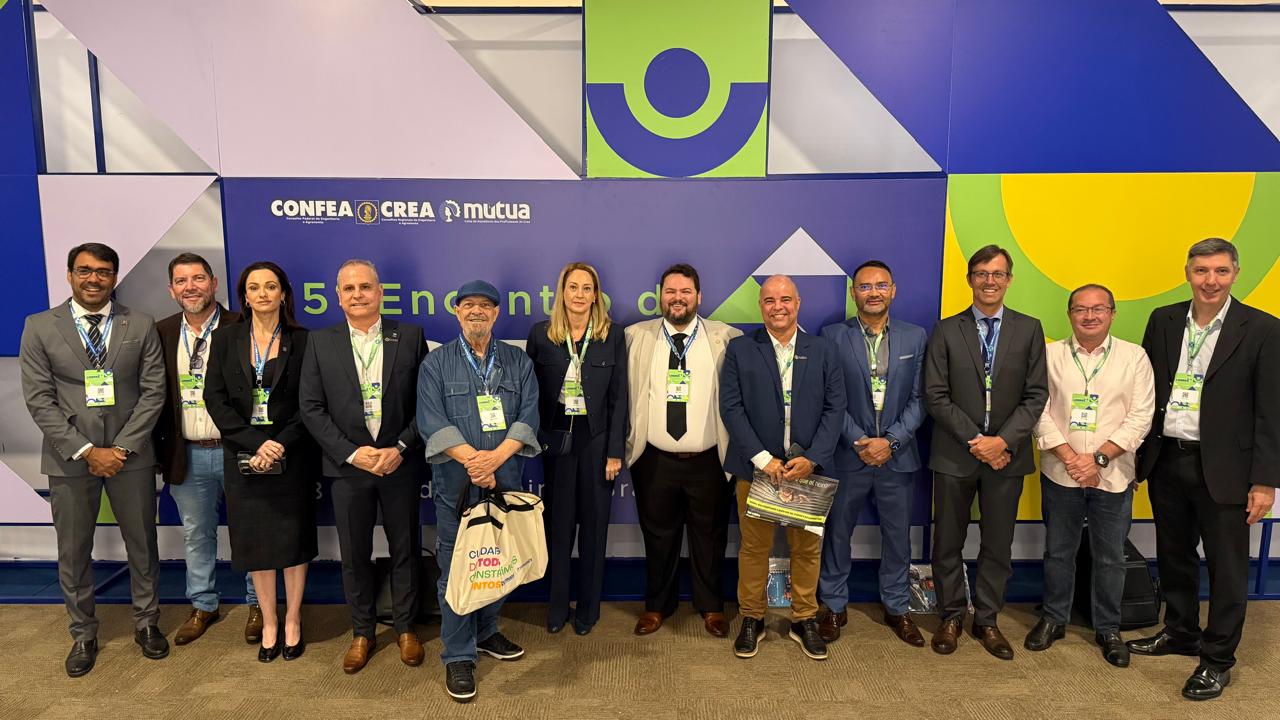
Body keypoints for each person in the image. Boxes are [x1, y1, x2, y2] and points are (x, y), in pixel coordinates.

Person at [1129, 238, 1280, 700]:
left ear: (1235, 274)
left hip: (1227, 469)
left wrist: (1265, 481)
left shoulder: (1263, 329)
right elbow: (1145, 392)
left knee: (1227, 568)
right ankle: (1180, 632)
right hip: (1167, 459)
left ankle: (1217, 660)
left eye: (1220, 271)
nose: (1210, 281)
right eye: (1201, 271)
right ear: (1188, 273)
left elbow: (1271, 411)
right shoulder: (1164, 320)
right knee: (1174, 556)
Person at [19, 242, 167, 677]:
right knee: (73, 549)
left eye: (103, 271)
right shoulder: (39, 326)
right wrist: (87, 450)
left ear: (114, 277)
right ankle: (83, 632)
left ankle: (147, 623)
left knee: (143, 544)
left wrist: (120, 449)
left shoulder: (140, 323)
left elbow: (154, 391)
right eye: (84, 271)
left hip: (131, 457)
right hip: (69, 459)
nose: (93, 279)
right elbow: (39, 398)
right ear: (69, 275)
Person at [299, 259, 429, 674]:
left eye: (365, 287)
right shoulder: (320, 342)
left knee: (405, 548)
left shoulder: (409, 336)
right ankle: (362, 632)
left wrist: (401, 447)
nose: (358, 294)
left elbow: (427, 403)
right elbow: (311, 408)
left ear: (380, 292)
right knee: (354, 554)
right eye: (349, 288)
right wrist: (353, 453)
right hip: (349, 468)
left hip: (398, 464)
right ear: (338, 296)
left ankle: (406, 628)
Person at [417, 280, 540, 703]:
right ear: (456, 311)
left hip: (504, 480)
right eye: (468, 305)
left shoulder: (517, 361)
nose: (476, 311)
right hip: (456, 486)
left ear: (496, 313)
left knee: (498, 561)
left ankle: (486, 632)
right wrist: (474, 462)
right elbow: (431, 420)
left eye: (485, 306)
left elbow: (528, 416)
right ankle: (458, 655)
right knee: (457, 568)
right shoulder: (436, 363)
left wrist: (494, 461)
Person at [924, 244, 1048, 660]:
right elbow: (935, 395)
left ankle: (988, 619)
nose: (989, 281)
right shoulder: (946, 330)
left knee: (998, 544)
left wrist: (1002, 442)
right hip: (955, 455)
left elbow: (1036, 395)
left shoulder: (1029, 329)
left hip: (1007, 458)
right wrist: (979, 442)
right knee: (947, 541)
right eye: (981, 273)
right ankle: (951, 616)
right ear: (970, 280)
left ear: (1009, 280)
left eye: (997, 274)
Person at [719, 275, 845, 660]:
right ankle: (752, 618)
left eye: (785, 299)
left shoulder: (823, 350)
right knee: (753, 548)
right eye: (770, 300)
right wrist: (763, 458)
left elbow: (835, 408)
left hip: (807, 470)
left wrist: (814, 457)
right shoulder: (741, 349)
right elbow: (731, 408)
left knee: (806, 549)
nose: (778, 307)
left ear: (798, 303)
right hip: (757, 469)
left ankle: (804, 618)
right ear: (761, 306)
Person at [1028, 284, 1153, 667]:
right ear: (1069, 314)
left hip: (1113, 474)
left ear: (1112, 314)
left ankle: (1108, 628)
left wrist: (1096, 460)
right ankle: (1054, 618)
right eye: (1081, 309)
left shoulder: (1134, 357)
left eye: (1099, 309)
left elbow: (1141, 416)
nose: (1090, 316)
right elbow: (1037, 410)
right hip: (1060, 471)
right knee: (1058, 552)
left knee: (1111, 556)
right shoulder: (1049, 355)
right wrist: (1072, 459)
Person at [203, 261, 317, 663]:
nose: (263, 294)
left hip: (292, 454)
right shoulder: (225, 338)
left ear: (283, 293)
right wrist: (256, 443)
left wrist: (278, 444)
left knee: (292, 539)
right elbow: (214, 398)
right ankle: (269, 621)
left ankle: (293, 620)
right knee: (257, 544)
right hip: (243, 455)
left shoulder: (304, 340)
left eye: (271, 286)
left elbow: (310, 403)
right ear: (245, 296)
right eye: (255, 288)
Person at [624, 263, 742, 638]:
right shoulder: (635, 336)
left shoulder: (726, 338)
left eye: (685, 292)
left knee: (710, 536)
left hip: (709, 459)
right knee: (658, 536)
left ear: (699, 297)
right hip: (654, 458)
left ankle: (711, 607)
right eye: (671, 292)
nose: (678, 298)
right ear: (660, 296)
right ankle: (658, 606)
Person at [152, 252, 263, 646]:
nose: (191, 287)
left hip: (238, 449)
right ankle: (203, 604)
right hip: (187, 452)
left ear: (214, 283)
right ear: (171, 290)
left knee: (250, 530)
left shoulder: (242, 325)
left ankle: (259, 604)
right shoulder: (162, 332)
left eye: (198, 278)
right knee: (197, 534)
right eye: (181, 281)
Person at [817, 260, 929, 647]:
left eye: (881, 285)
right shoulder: (833, 336)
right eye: (865, 287)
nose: (873, 293)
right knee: (837, 534)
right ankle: (833, 605)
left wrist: (891, 441)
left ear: (893, 290)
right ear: (854, 294)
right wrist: (860, 440)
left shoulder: (915, 337)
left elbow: (921, 399)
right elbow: (830, 398)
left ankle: (897, 607)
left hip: (898, 457)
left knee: (898, 537)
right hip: (848, 456)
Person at [525, 262, 628, 636]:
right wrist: (535, 440)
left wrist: (615, 451)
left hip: (597, 442)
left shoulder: (612, 335)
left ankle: (588, 610)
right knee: (559, 526)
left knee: (594, 529)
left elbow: (619, 398)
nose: (580, 294)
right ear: (562, 292)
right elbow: (530, 394)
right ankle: (556, 607)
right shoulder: (542, 335)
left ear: (596, 295)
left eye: (587, 288)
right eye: (573, 287)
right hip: (557, 443)